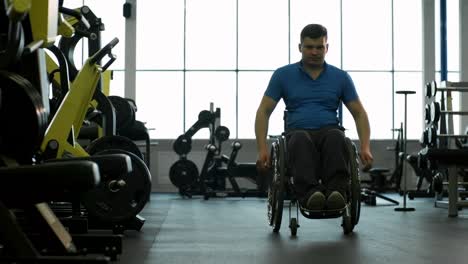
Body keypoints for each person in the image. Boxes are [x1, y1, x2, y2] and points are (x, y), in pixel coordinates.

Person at [255, 24, 373, 211]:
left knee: (336, 137)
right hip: (297, 132)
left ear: (327, 48)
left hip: (329, 130)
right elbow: (263, 111)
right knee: (300, 139)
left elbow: (359, 112)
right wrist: (262, 149)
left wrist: (366, 147)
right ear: (300, 47)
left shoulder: (340, 77)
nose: (314, 52)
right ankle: (310, 194)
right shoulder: (282, 75)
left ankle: (337, 193)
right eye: (309, 47)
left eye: (319, 47)